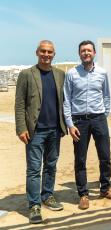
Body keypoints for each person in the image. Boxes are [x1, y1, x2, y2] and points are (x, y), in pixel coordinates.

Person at [63, 40, 111, 210]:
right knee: (80, 159)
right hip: (79, 121)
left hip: (98, 119)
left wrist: (102, 116)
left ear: (94, 53)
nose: (86, 53)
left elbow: (106, 96)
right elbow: (66, 100)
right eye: (83, 51)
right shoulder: (72, 74)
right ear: (79, 54)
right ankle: (83, 194)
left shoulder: (102, 73)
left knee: (105, 156)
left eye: (89, 50)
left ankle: (105, 189)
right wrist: (70, 124)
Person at [15, 40, 67, 224]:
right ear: (37, 52)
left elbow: (64, 102)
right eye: (43, 51)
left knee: (51, 166)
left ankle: (47, 196)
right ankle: (34, 205)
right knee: (34, 170)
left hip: (55, 130)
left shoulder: (60, 75)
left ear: (54, 54)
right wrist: (21, 128)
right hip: (34, 131)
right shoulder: (27, 74)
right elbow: (20, 104)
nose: (46, 54)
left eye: (50, 52)